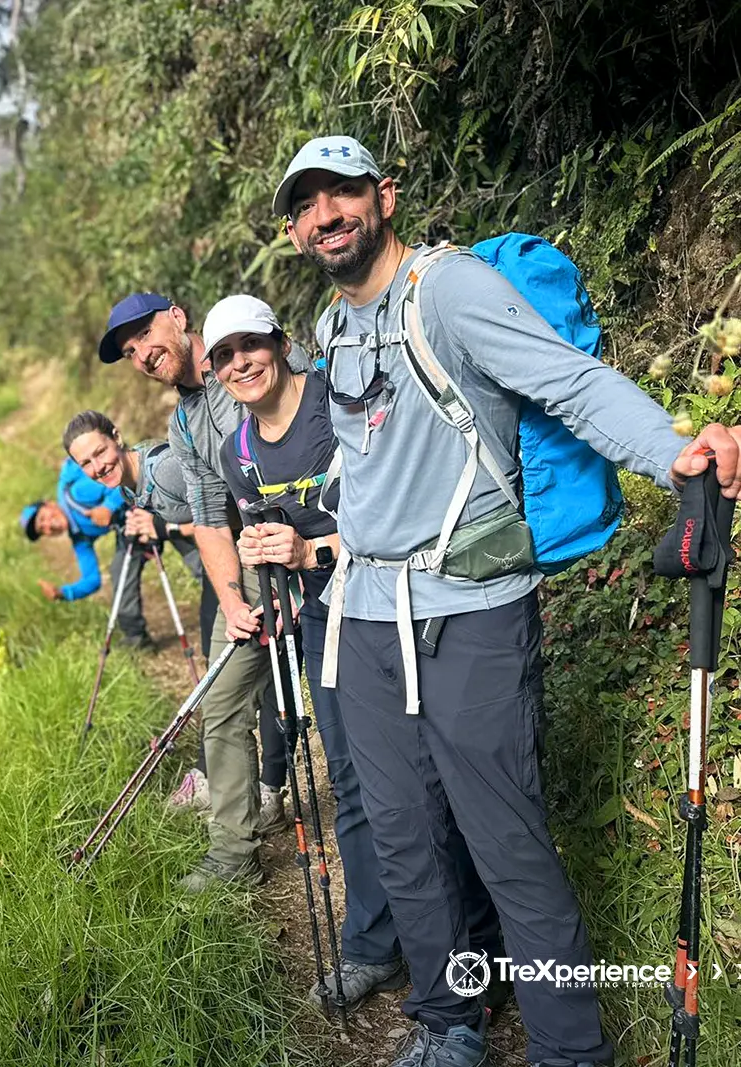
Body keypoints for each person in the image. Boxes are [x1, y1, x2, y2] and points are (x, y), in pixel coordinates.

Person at [274, 133, 741, 1067]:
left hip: (472, 612)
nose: (326, 215)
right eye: (306, 204)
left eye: (343, 194)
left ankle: (570, 1049)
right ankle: (450, 1020)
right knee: (407, 837)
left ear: (386, 197)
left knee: (508, 845)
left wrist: (674, 450)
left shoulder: (446, 292)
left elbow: (564, 379)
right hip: (364, 620)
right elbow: (369, 468)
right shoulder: (330, 328)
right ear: (293, 233)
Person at [207, 292, 505, 1010]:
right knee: (355, 782)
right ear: (215, 372)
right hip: (326, 621)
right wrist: (267, 558)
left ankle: (480, 946)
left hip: (408, 607)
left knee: (435, 775)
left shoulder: (338, 402)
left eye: (251, 345)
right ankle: (377, 945)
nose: (241, 363)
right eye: (224, 355)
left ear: (280, 342)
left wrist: (313, 546)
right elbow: (270, 537)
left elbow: (408, 506)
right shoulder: (237, 453)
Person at [96, 293, 308, 885]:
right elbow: (211, 517)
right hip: (254, 568)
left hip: (325, 552)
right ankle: (234, 855)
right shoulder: (184, 423)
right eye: (130, 351)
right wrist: (235, 600)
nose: (141, 353)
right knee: (221, 704)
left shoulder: (246, 359)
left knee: (346, 716)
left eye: (143, 335)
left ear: (178, 317)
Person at [62, 409, 290, 831]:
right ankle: (223, 780)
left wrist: (162, 527)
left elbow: (228, 511)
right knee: (225, 684)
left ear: (117, 436)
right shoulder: (129, 486)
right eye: (86, 464)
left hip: (246, 573)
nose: (98, 467)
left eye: (100, 452)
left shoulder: (163, 467)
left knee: (267, 682)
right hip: (219, 580)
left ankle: (269, 789)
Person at [20, 458, 151, 647]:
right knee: (119, 571)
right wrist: (63, 593)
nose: (48, 526)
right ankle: (138, 640)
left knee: (195, 555)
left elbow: (121, 480)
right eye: (43, 530)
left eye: (43, 518)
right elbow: (92, 579)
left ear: (49, 504)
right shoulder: (79, 538)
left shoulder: (77, 494)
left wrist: (108, 507)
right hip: (134, 526)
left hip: (154, 501)